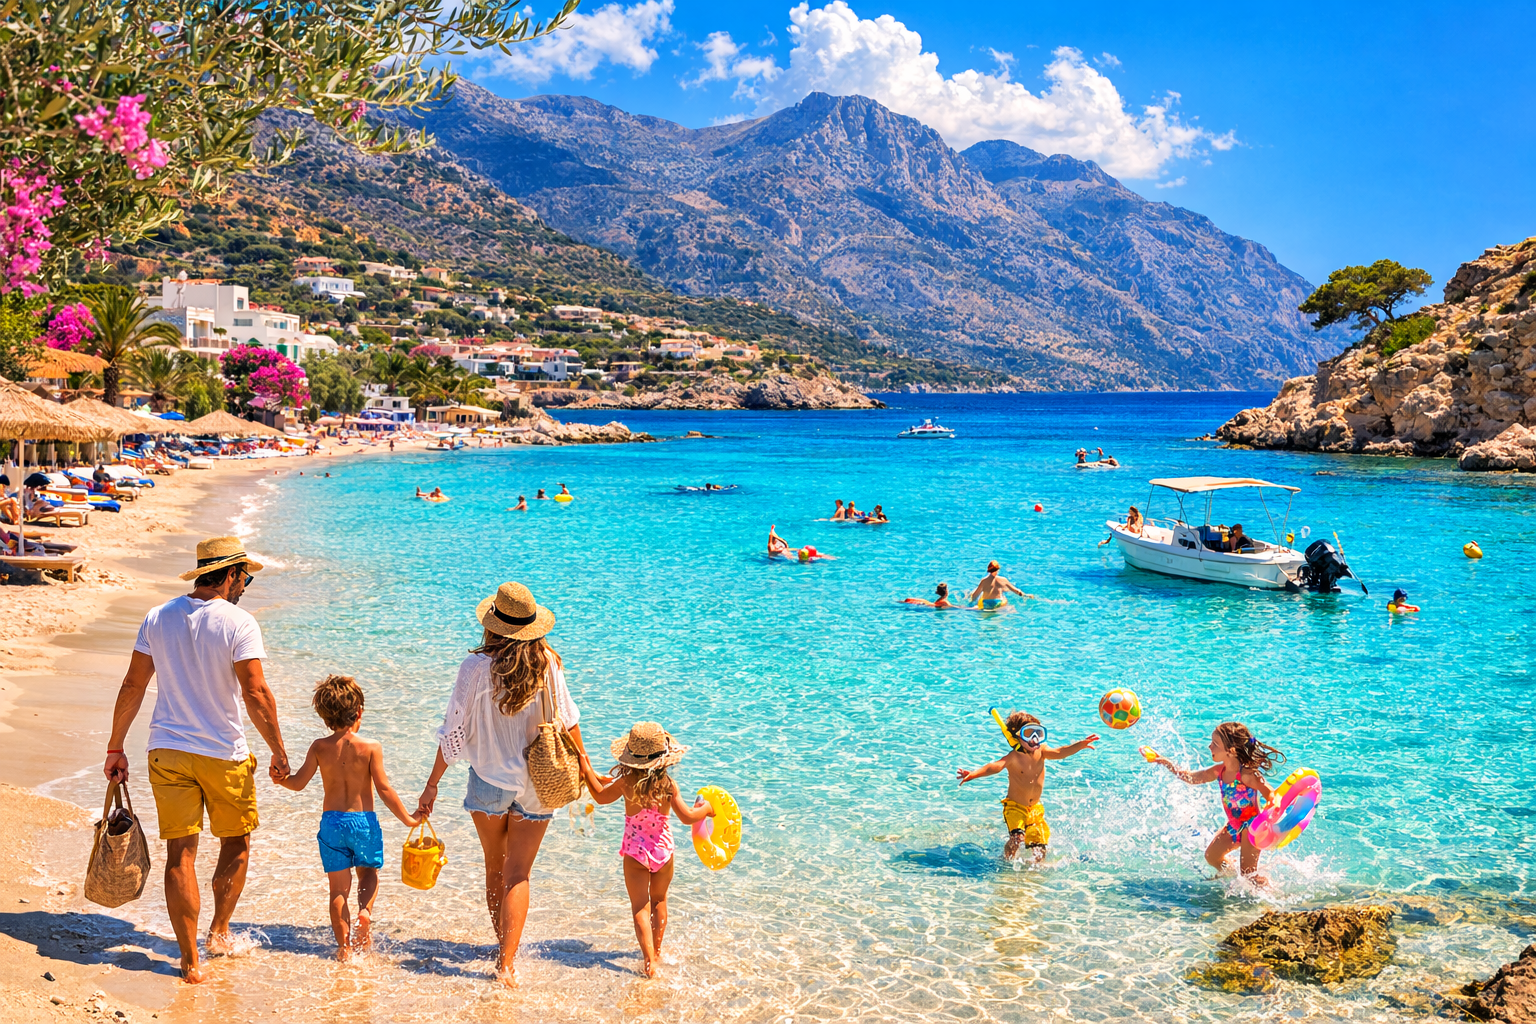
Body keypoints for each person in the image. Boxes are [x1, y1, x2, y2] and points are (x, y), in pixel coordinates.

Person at [102, 537, 289, 983]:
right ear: (230, 575)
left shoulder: (158, 616)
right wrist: (279, 751)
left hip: (167, 750)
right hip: (223, 754)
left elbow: (133, 685)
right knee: (236, 843)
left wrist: (115, 746)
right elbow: (256, 692)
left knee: (180, 855)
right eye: (244, 577)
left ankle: (190, 962)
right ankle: (219, 932)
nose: (245, 586)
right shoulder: (239, 622)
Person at [415, 582, 593, 988]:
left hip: (489, 781)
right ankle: (507, 965)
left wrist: (432, 785)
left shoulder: (475, 668)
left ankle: (503, 950)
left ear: (493, 624)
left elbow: (454, 732)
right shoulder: (548, 662)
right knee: (519, 874)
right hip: (537, 783)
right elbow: (568, 720)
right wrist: (585, 766)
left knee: (495, 867)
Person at [275, 675, 420, 960]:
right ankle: (364, 913)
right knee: (368, 873)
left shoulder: (319, 747)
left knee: (338, 890)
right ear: (359, 711)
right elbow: (384, 789)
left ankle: (344, 949)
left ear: (325, 716)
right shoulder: (371, 747)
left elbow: (299, 783)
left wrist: (281, 780)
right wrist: (409, 819)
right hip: (363, 822)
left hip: (332, 824)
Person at [581, 723, 713, 978]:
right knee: (659, 900)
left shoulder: (625, 783)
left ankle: (649, 960)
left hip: (636, 854)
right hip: (663, 852)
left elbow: (599, 796)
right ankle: (658, 950)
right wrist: (706, 809)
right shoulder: (669, 785)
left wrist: (586, 770)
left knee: (640, 907)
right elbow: (687, 817)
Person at [956, 711, 1098, 861]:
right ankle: (1006, 860)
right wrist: (973, 774)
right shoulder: (1013, 757)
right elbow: (994, 767)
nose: (1034, 738)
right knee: (1017, 838)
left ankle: (1035, 871)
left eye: (1038, 733)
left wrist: (1079, 745)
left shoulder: (1042, 751)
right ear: (1017, 737)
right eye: (1029, 733)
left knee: (1039, 847)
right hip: (1015, 807)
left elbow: (1060, 751)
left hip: (1035, 809)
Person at [1153, 723, 1281, 881]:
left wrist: (1270, 811)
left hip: (1251, 828)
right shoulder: (1219, 771)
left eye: (1215, 744)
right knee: (1211, 856)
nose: (1209, 746)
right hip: (1234, 826)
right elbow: (1191, 778)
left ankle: (1267, 890)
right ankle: (1231, 874)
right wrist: (1165, 762)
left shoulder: (1247, 774)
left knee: (1248, 874)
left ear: (1231, 750)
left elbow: (1270, 794)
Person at [968, 561, 1032, 610]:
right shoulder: (1003, 580)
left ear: (988, 570)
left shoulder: (983, 580)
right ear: (998, 569)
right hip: (997, 603)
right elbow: (1016, 591)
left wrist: (970, 602)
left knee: (980, 598)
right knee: (1004, 598)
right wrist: (1026, 595)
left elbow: (975, 595)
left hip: (985, 603)